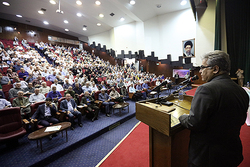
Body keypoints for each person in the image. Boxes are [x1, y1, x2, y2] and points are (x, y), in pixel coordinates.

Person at [178, 50, 249, 167]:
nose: (200, 71)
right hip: (232, 153)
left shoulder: (206, 89)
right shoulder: (242, 91)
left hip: (208, 157)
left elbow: (194, 123)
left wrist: (182, 117)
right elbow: (241, 120)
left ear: (215, 69)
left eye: (202, 67)